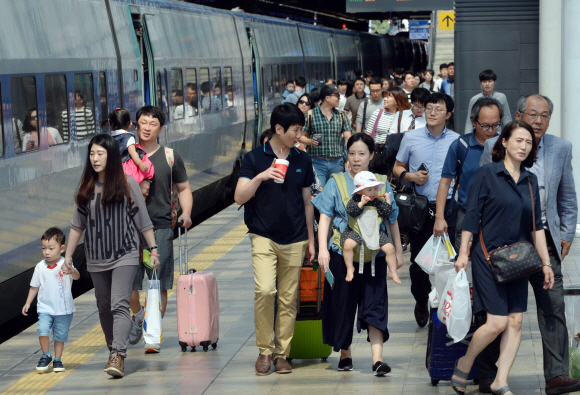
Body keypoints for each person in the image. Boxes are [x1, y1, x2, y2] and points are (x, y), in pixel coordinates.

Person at [478, 94, 580, 395]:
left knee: (554, 305)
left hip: (543, 240)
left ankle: (557, 376)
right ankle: (487, 374)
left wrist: (565, 234)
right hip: (504, 243)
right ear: (519, 115)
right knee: (499, 311)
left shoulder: (561, 148)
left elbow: (568, 196)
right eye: (533, 114)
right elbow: (480, 195)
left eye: (545, 115)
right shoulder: (494, 146)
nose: (538, 121)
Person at [450, 120, 555, 395]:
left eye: (529, 142)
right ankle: (465, 361)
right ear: (504, 142)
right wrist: (463, 254)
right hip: (487, 257)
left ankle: (500, 380)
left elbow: (537, 227)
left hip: (518, 260)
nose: (524, 146)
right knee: (496, 322)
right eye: (518, 140)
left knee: (516, 321)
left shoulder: (531, 181)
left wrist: (545, 263)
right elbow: (472, 216)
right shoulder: (487, 174)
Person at [64, 134, 159, 378]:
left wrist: (153, 248)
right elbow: (77, 226)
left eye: (100, 154)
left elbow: (142, 220)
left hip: (125, 253)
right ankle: (112, 350)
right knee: (104, 307)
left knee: (119, 304)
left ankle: (119, 354)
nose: (95, 159)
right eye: (92, 154)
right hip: (96, 257)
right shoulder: (85, 189)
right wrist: (68, 256)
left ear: (111, 157)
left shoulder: (128, 183)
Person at [312, 133, 404, 375]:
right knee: (343, 304)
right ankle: (345, 353)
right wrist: (322, 249)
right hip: (343, 254)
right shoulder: (337, 181)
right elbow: (325, 216)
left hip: (375, 255)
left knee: (375, 304)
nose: (356, 159)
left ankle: (377, 360)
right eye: (352, 153)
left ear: (371, 155)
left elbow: (392, 219)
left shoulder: (382, 182)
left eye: (362, 153)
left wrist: (398, 249)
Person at [235, 103, 315, 375]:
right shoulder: (254, 158)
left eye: (301, 129)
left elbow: (307, 203)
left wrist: (311, 241)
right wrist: (262, 175)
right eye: (295, 130)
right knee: (266, 291)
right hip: (262, 235)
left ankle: (282, 354)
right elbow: (239, 197)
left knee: (289, 298)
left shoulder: (303, 159)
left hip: (295, 237)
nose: (299, 135)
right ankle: (264, 350)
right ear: (278, 129)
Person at [129, 106, 193, 353]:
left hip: (160, 228)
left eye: (152, 124)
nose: (146, 127)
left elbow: (184, 188)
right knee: (130, 286)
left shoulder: (169, 156)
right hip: (129, 230)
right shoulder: (125, 156)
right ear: (135, 126)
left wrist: (186, 213)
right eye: (142, 123)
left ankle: (152, 335)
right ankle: (139, 314)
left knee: (157, 283)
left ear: (161, 128)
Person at [393, 92, 460, 328]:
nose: (432, 113)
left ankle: (448, 306)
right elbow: (397, 167)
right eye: (429, 108)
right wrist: (410, 176)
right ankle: (421, 300)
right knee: (419, 264)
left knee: (450, 262)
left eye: (438, 109)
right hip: (419, 209)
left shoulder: (457, 140)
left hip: (449, 208)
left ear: (448, 114)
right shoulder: (410, 138)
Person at [434, 97, 503, 251]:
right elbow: (445, 182)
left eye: (495, 125)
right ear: (473, 121)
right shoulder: (461, 145)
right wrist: (440, 217)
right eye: (485, 125)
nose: (490, 131)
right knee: (465, 267)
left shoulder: (506, 145)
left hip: (499, 217)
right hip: (467, 216)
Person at [22, 227, 79, 373]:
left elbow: (77, 276)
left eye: (51, 248)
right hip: (45, 308)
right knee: (42, 330)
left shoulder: (65, 264)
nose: (46, 252)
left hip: (63, 309)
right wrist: (28, 303)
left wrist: (71, 270)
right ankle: (46, 355)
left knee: (60, 336)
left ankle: (58, 359)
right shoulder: (40, 267)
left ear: (62, 248)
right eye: (43, 248)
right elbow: (34, 286)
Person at [341, 171, 401, 284]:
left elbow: (386, 212)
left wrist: (388, 200)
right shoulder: (355, 200)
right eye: (369, 190)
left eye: (375, 188)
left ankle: (393, 271)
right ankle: (350, 267)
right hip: (357, 231)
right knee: (348, 245)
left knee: (389, 248)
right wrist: (361, 203)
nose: (373, 192)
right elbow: (351, 210)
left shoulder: (377, 202)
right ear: (359, 191)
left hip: (375, 231)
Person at [301, 85, 351, 187]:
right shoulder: (310, 115)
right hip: (317, 162)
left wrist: (350, 157)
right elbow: (300, 136)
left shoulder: (341, 116)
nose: (339, 98)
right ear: (327, 98)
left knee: (337, 192)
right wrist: (310, 141)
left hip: (337, 162)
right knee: (319, 192)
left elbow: (348, 138)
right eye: (336, 95)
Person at [103, 108, 154, 185]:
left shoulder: (109, 138)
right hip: (126, 168)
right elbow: (132, 153)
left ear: (110, 125)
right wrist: (140, 163)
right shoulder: (128, 137)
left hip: (114, 167)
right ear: (130, 124)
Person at [464, 69, 512, 134]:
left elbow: (506, 118)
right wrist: (467, 138)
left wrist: (510, 134)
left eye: (490, 81)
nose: (487, 84)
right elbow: (469, 122)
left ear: (494, 82)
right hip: (479, 134)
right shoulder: (474, 99)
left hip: (496, 134)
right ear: (481, 82)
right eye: (484, 81)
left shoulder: (501, 97)